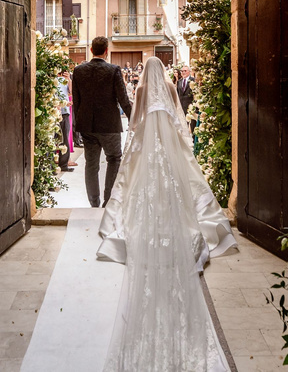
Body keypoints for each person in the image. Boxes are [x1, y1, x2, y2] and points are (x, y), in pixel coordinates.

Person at [97, 56, 237, 372]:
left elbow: (135, 122)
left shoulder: (143, 87)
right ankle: (175, 230)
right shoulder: (171, 85)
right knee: (173, 195)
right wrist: (181, 149)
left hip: (149, 154)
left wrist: (135, 149)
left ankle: (150, 232)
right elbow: (178, 118)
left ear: (146, 72)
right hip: (168, 153)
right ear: (165, 72)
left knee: (147, 196)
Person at [72, 36, 132, 207]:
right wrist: (133, 118)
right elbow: (123, 99)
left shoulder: (79, 70)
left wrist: (79, 123)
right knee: (114, 158)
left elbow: (77, 101)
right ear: (106, 51)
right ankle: (108, 201)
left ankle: (94, 202)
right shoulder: (113, 70)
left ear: (91, 50)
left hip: (88, 126)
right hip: (109, 125)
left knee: (91, 164)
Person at [177, 65, 196, 135]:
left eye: (185, 71)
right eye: (182, 71)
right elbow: (178, 93)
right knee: (182, 124)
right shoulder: (179, 81)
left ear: (189, 71)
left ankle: (193, 138)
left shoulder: (193, 80)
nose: (183, 72)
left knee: (192, 124)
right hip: (181, 105)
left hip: (190, 105)